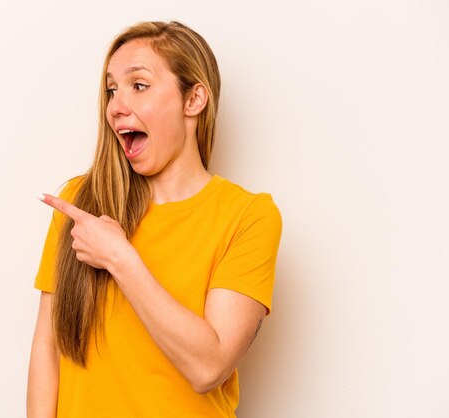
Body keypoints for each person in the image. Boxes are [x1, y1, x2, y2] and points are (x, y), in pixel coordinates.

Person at [26, 20, 283, 418]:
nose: (116, 105)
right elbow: (48, 346)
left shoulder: (248, 217)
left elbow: (208, 366)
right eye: (112, 89)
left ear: (194, 99)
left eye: (138, 86)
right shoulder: (82, 202)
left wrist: (120, 258)